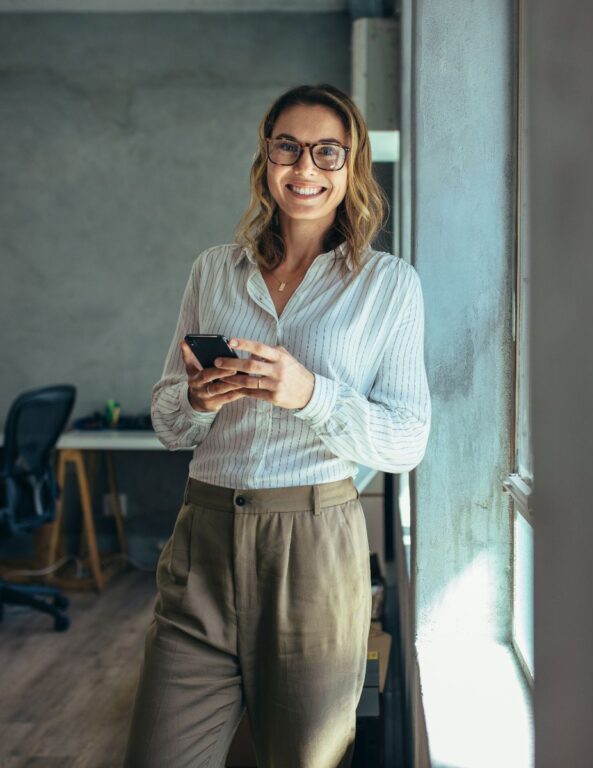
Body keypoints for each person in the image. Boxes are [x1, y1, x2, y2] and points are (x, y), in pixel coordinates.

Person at [122, 83, 431, 768]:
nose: (305, 167)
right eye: (287, 147)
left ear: (352, 168)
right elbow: (169, 421)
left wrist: (309, 394)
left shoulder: (390, 286)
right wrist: (199, 402)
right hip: (202, 539)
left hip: (314, 550)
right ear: (265, 159)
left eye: (327, 152)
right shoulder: (214, 270)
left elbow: (408, 439)